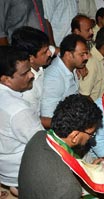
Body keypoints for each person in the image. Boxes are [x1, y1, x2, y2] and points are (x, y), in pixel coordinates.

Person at [18, 94, 104, 199]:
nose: (91, 137)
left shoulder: (39, 137)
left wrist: (85, 170)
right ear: (75, 136)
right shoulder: (68, 188)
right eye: (91, 134)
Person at [0, 46, 44, 196]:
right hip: (20, 172)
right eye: (25, 73)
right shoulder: (19, 110)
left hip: (5, 167)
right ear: (6, 80)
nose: (31, 75)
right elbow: (43, 145)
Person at [40, 34, 89, 128]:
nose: (86, 58)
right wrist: (74, 127)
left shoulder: (71, 66)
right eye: (82, 54)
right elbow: (47, 117)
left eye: (86, 53)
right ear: (68, 55)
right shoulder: (54, 79)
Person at [11, 26, 52, 117]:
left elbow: (55, 50)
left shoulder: (39, 60)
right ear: (31, 58)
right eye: (45, 52)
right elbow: (35, 119)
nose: (50, 53)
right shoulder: (28, 88)